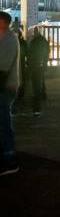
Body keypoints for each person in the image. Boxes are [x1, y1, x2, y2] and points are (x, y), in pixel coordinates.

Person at [0, 12, 20, 176]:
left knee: (3, 123)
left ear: (3, 23)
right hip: (5, 86)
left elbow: (3, 67)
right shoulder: (6, 38)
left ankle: (10, 160)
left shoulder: (9, 39)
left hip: (5, 87)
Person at [27, 26, 49, 116]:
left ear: (35, 32)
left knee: (36, 82)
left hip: (35, 64)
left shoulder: (34, 41)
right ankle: (42, 94)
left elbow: (30, 52)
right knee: (40, 79)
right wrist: (45, 63)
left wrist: (29, 62)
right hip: (40, 64)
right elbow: (47, 52)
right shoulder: (43, 40)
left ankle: (37, 104)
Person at [15, 29, 27, 104]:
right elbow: (26, 52)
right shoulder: (23, 42)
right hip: (22, 62)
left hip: (16, 63)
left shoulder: (15, 42)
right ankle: (21, 93)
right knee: (22, 77)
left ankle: (18, 92)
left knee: (17, 77)